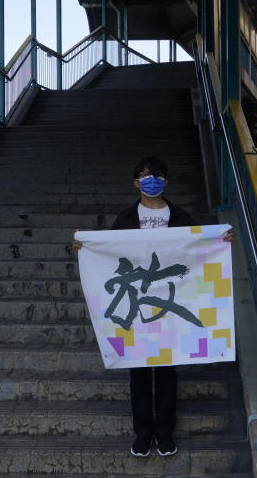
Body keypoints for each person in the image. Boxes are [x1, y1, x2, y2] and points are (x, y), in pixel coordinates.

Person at [73, 155, 231, 458]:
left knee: (168, 370)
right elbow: (108, 255)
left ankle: (165, 432)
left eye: (157, 175)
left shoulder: (182, 216)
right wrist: (85, 246)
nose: (151, 180)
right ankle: (143, 433)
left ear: (166, 181)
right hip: (136, 306)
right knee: (139, 372)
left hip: (171, 304)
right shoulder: (126, 218)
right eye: (145, 175)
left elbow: (200, 251)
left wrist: (222, 240)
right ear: (135, 183)